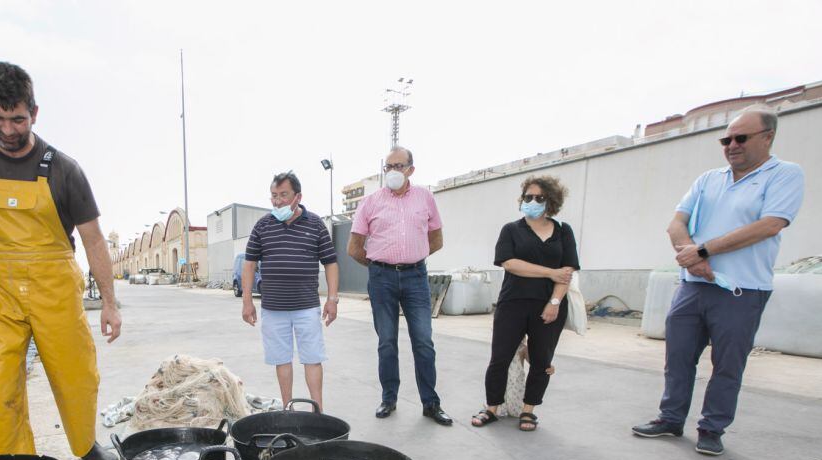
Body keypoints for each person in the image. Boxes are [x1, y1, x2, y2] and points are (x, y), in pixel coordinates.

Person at [0, 61, 121, 460]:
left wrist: (109, 302)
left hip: (54, 286)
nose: (6, 130)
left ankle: (86, 442)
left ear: (34, 113)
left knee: (76, 373)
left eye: (17, 119)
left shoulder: (64, 169)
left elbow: (92, 238)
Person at [632, 105, 804, 455]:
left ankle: (712, 427)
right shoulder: (708, 180)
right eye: (726, 139)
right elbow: (676, 224)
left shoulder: (784, 175)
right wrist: (691, 256)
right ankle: (670, 418)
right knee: (678, 357)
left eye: (741, 138)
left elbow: (770, 224)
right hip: (693, 285)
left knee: (727, 365)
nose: (732, 145)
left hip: (742, 291)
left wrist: (704, 250)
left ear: (767, 137)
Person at [347, 147, 452, 425]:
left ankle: (430, 403)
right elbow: (354, 247)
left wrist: (410, 257)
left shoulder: (425, 198)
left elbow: (437, 239)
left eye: (399, 166)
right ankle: (388, 398)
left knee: (424, 342)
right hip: (381, 279)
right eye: (388, 166)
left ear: (411, 170)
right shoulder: (370, 202)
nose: (393, 171)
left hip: (416, 278)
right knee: (387, 342)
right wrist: (380, 265)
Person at [471, 176, 579, 432]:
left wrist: (554, 301)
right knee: (500, 357)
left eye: (539, 198)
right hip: (513, 303)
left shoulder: (564, 231)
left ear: (550, 201)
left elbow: (566, 272)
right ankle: (492, 408)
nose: (532, 201)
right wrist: (549, 273)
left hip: (549, 307)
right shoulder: (511, 230)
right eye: (527, 197)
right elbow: (510, 263)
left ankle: (528, 410)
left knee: (541, 360)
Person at [242, 172, 339, 409]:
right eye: (274, 196)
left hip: (307, 306)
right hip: (274, 308)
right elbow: (249, 264)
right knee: (281, 360)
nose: (277, 201)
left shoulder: (315, 224)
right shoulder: (263, 225)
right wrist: (247, 301)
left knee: (313, 359)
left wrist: (332, 299)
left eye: (283, 195)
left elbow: (330, 263)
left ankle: (318, 411)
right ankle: (288, 409)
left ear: (298, 196)